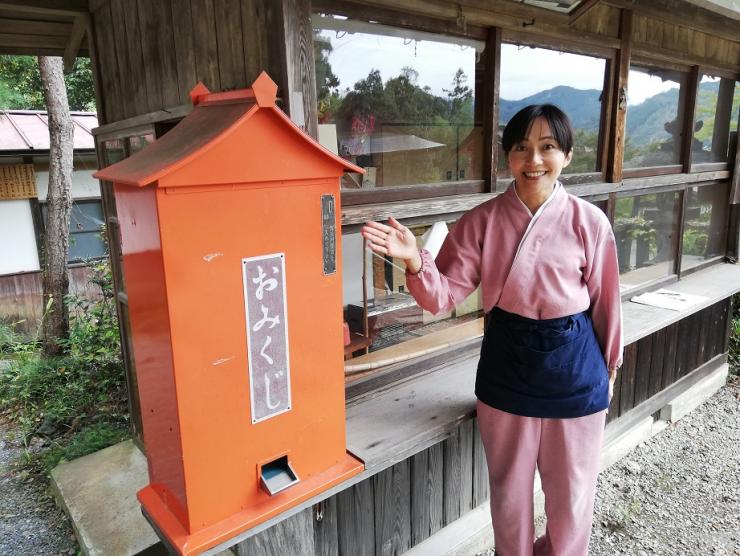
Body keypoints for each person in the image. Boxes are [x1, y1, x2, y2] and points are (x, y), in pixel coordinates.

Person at [362, 104, 622, 556]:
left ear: (568, 156)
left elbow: (606, 302)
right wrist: (412, 259)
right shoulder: (482, 221)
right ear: (507, 158)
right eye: (522, 148)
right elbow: (442, 295)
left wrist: (611, 364)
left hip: (576, 375)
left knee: (574, 501)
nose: (534, 160)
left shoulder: (589, 222)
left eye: (547, 148)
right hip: (508, 371)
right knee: (509, 500)